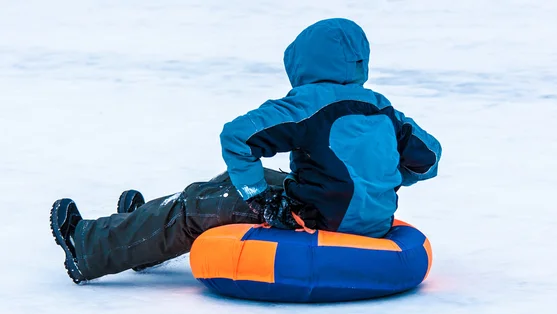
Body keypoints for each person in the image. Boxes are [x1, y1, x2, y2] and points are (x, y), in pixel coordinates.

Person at [50, 18, 442, 284]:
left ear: (303, 61)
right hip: (370, 224)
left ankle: (87, 248)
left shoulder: (308, 104)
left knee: (197, 202)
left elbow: (237, 137)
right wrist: (374, 179)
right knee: (227, 182)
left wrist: (260, 199)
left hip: (314, 220)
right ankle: (140, 233)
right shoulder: (383, 109)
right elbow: (429, 159)